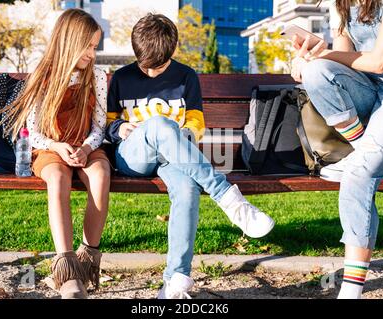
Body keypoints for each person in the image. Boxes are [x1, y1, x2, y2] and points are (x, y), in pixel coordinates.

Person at [105, 13, 275, 299]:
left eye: (156, 67)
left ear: (171, 53)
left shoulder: (186, 77)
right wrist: (120, 127)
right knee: (159, 124)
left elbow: (196, 123)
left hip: (174, 158)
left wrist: (178, 139)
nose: (148, 72)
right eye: (143, 65)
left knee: (186, 188)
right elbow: (107, 125)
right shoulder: (122, 78)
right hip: (133, 156)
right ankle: (228, 198)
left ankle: (176, 281)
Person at [290, 0, 383, 298]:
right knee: (316, 72)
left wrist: (321, 53)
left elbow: (380, 61)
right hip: (367, 88)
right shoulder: (338, 2)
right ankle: (362, 148)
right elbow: (346, 57)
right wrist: (306, 60)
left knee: (357, 175)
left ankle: (351, 291)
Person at [0, 9, 110, 299]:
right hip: (51, 148)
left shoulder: (97, 76)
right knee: (58, 179)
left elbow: (100, 126)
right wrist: (58, 147)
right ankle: (67, 271)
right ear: (69, 41)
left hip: (87, 145)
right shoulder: (43, 75)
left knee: (100, 175)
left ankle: (86, 262)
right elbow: (33, 132)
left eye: (95, 47)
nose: (92, 53)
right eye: (87, 46)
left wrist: (87, 147)